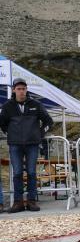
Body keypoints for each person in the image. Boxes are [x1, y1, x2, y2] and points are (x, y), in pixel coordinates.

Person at [0, 78, 54, 212]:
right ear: (13, 90)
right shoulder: (7, 106)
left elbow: (49, 121)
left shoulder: (36, 104)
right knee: (17, 173)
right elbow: (2, 124)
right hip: (15, 145)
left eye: (23, 88)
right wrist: (11, 133)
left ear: (26, 89)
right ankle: (18, 202)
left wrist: (40, 134)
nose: (21, 91)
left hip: (32, 145)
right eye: (18, 89)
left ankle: (31, 201)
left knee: (31, 172)